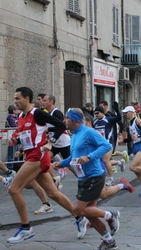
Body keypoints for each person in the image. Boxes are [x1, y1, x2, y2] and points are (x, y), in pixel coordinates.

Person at [7, 87, 86, 244]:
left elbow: (61, 125)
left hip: (38, 157)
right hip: (31, 156)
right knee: (53, 193)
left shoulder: (37, 113)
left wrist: (50, 142)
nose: (15, 101)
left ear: (27, 99)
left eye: (17, 98)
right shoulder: (22, 116)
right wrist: (15, 141)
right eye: (14, 99)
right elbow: (25, 135)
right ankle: (80, 217)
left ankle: (25, 227)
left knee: (13, 189)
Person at [53, 108, 120, 249]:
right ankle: (109, 241)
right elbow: (74, 156)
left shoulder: (89, 132)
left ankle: (110, 215)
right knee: (90, 214)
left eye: (67, 118)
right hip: (83, 178)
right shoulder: (74, 135)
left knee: (77, 209)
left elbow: (106, 146)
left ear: (75, 120)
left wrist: (90, 157)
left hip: (93, 176)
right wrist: (62, 163)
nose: (64, 121)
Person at [93, 104, 122, 186]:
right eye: (95, 113)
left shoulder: (108, 120)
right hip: (99, 145)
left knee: (105, 160)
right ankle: (119, 162)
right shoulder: (95, 122)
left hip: (108, 144)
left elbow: (119, 118)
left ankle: (111, 179)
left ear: (102, 113)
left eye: (97, 113)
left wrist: (117, 110)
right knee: (103, 161)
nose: (96, 115)